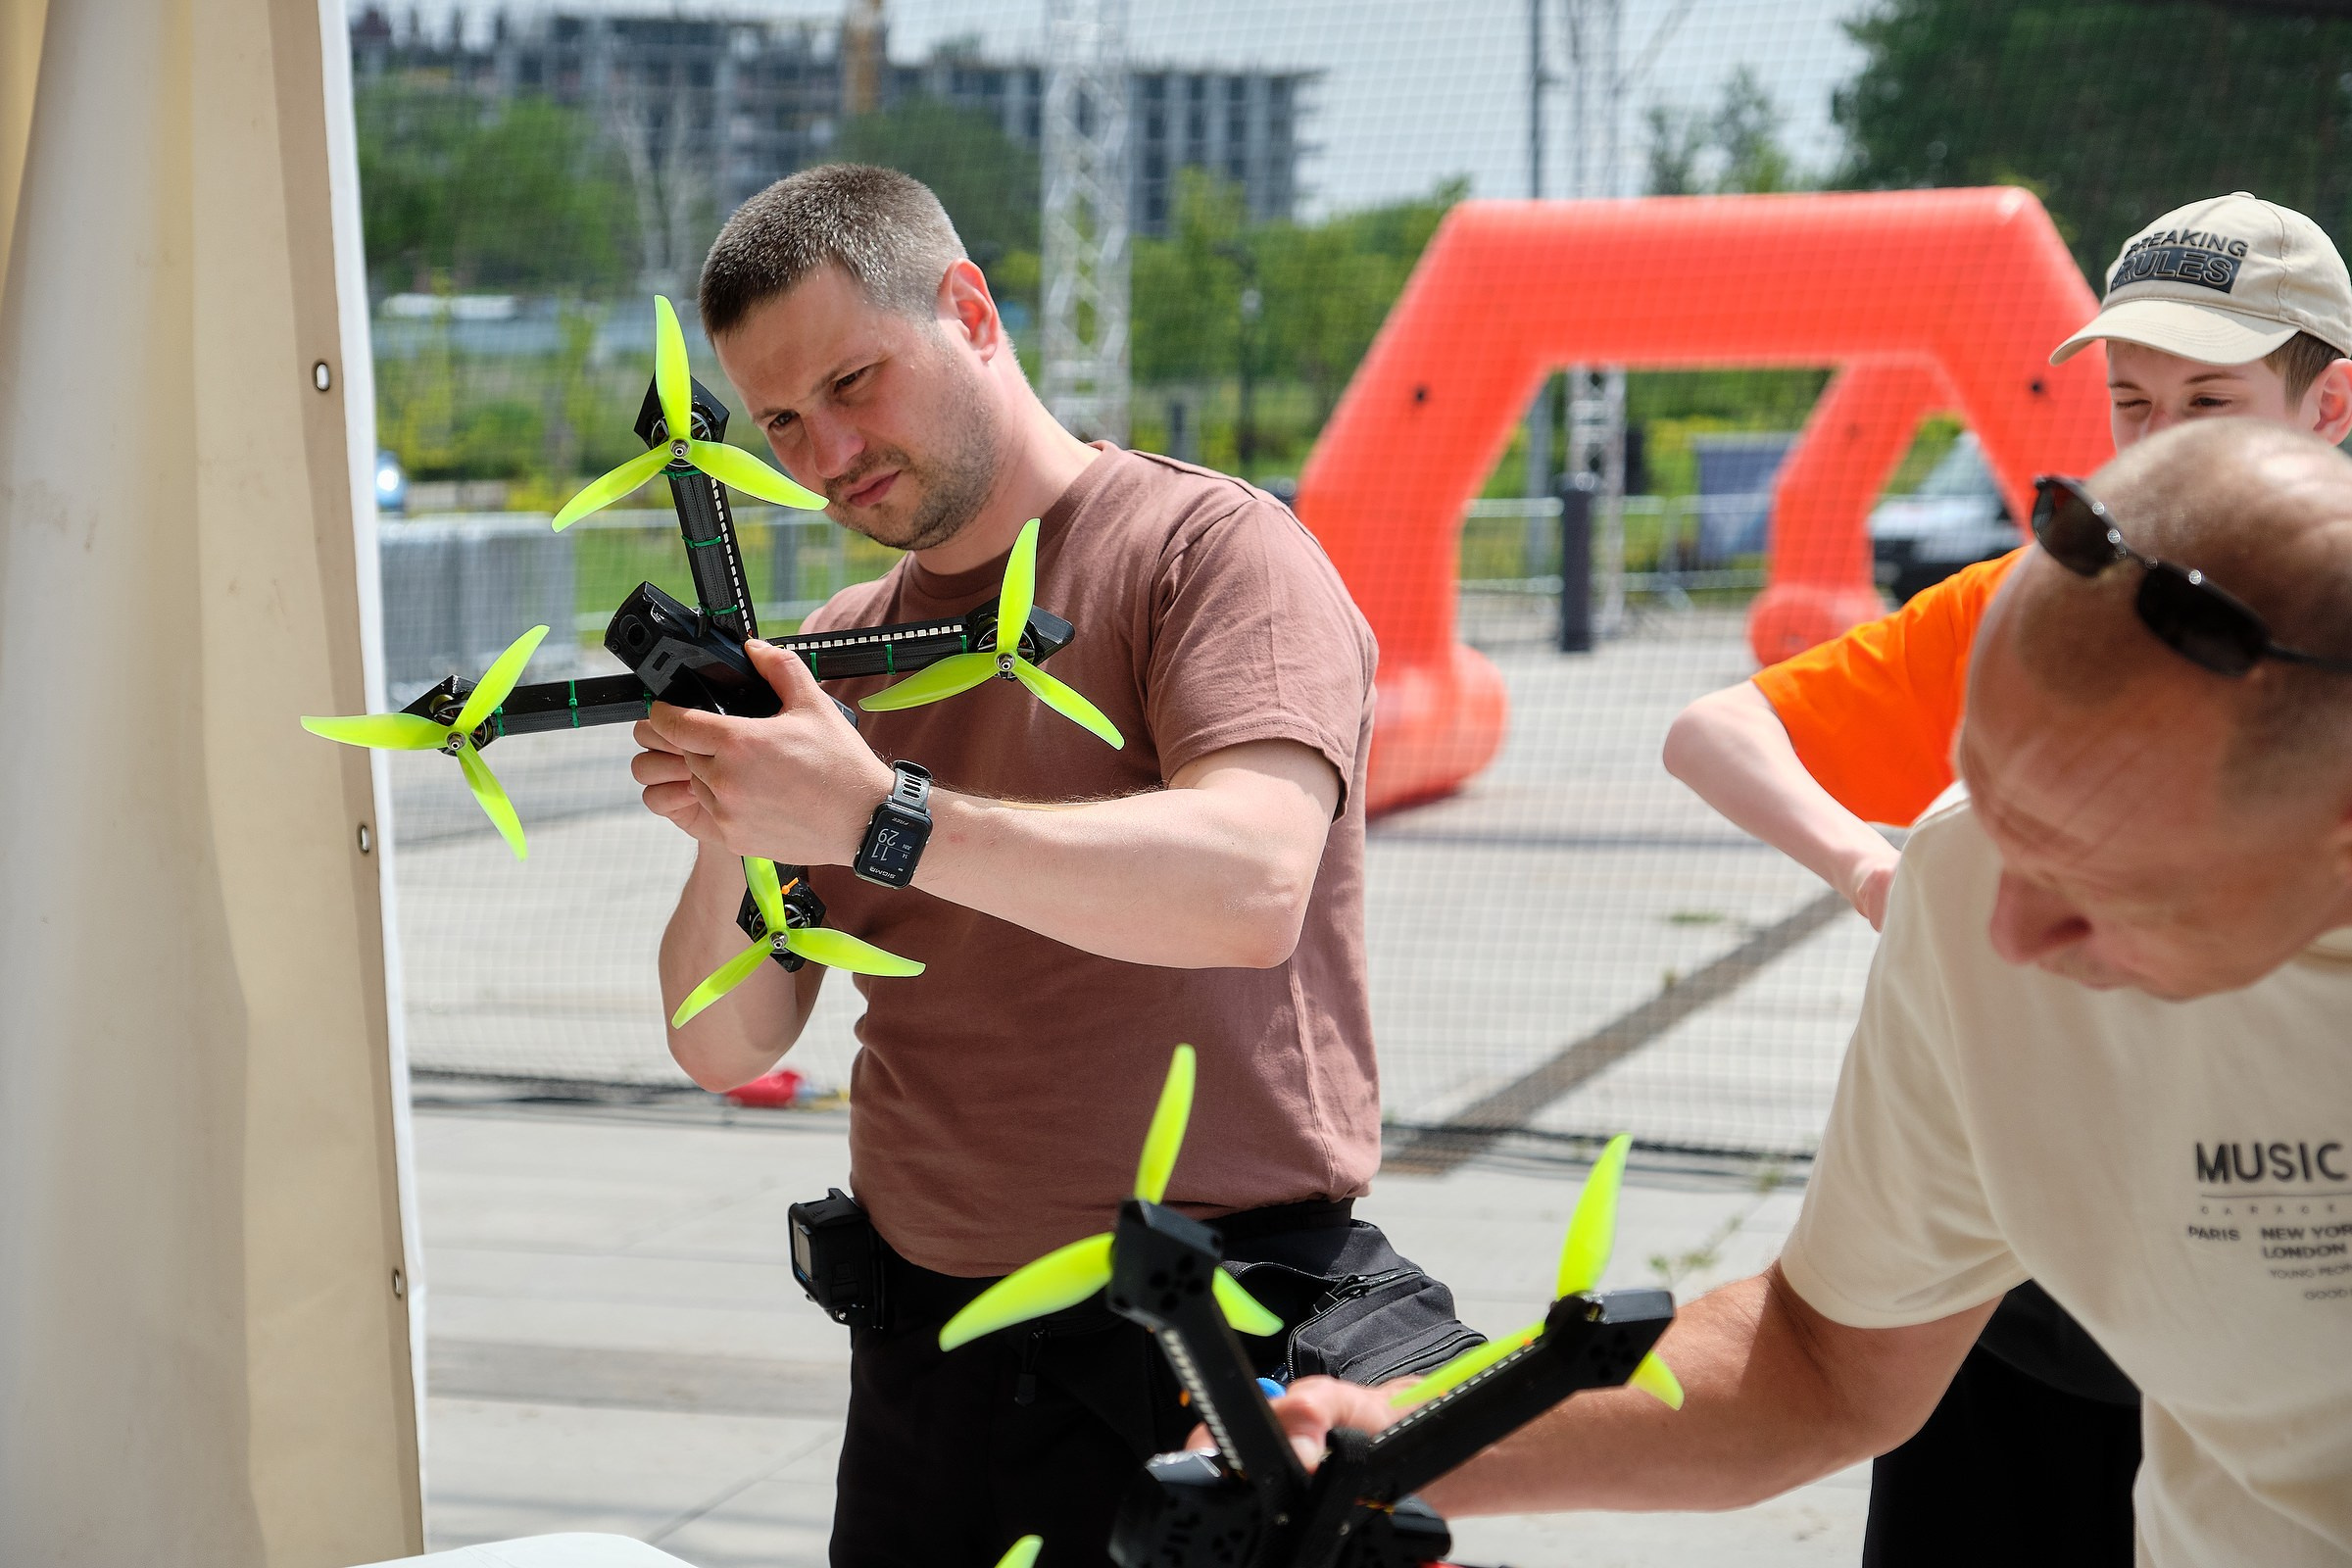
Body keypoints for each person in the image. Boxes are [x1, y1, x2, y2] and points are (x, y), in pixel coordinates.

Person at [1262, 416, 2352, 1564]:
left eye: (2091, 880)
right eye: (1988, 808)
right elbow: (1822, 1363)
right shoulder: (1959, 883)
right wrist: (1401, 1439)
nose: (2007, 932)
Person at [628, 165, 1475, 1568]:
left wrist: (874, 814)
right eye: (781, 421)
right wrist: (734, 817)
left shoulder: (1207, 551)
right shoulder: (836, 643)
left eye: (855, 382)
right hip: (929, 1366)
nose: (827, 453)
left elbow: (1251, 883)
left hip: (1207, 1351)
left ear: (971, 311)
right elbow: (726, 1039)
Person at [1659, 191, 2352, 1562]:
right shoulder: (2041, 605)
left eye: (2207, 398)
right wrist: (1880, 869)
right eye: (2132, 402)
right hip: (2021, 1326)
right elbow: (1712, 730)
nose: (2155, 442)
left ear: (2329, 406)